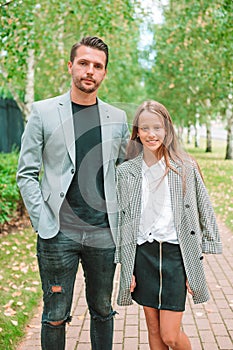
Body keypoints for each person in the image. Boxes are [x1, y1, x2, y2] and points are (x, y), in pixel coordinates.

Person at [16, 36, 129, 350]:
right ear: (70, 66)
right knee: (54, 314)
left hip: (103, 234)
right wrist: (43, 222)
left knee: (103, 311)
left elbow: (125, 175)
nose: (90, 70)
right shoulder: (42, 112)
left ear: (104, 73)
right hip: (57, 234)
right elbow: (26, 174)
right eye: (84, 63)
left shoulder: (117, 118)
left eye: (97, 66)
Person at [115, 100, 222, 350]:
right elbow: (123, 221)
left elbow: (204, 206)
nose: (151, 134)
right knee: (153, 330)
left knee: (170, 335)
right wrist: (126, 266)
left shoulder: (185, 166)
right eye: (145, 128)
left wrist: (203, 251)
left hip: (176, 256)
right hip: (143, 256)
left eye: (157, 127)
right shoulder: (127, 171)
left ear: (167, 130)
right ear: (137, 132)